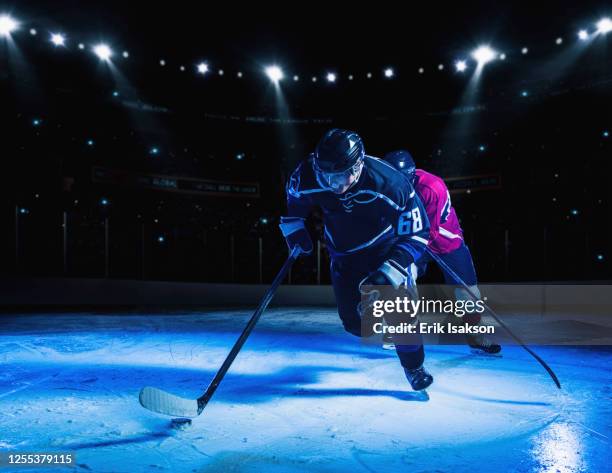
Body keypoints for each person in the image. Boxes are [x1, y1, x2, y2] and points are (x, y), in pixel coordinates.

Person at [280, 129, 434, 390]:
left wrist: (392, 269)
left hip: (383, 251)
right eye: (327, 176)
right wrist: (295, 229)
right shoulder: (305, 173)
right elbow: (294, 202)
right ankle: (376, 312)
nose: (336, 185)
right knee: (356, 326)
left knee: (401, 316)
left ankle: (414, 367)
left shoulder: (391, 183)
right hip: (343, 256)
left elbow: (418, 233)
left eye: (342, 176)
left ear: (359, 163)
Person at [384, 150, 501, 354]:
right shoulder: (385, 185)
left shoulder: (432, 187)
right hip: (409, 239)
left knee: (468, 292)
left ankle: (476, 337)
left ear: (410, 176)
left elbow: (428, 231)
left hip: (443, 241)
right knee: (401, 277)